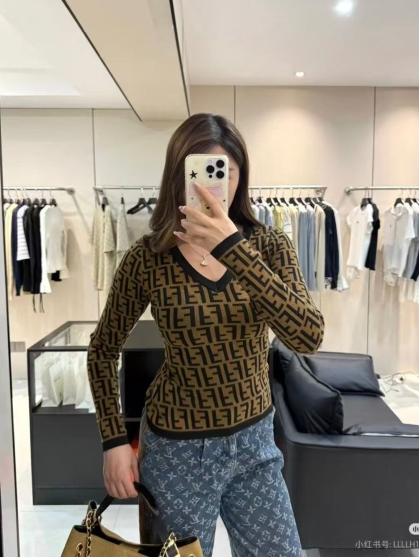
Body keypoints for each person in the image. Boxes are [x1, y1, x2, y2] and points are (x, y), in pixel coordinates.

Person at [87, 113, 325, 557]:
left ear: (240, 177)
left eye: (225, 172)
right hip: (176, 453)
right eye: (200, 172)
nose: (213, 186)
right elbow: (102, 349)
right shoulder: (148, 258)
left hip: (255, 446)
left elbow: (308, 336)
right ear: (178, 177)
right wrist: (113, 440)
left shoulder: (270, 246)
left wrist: (234, 249)